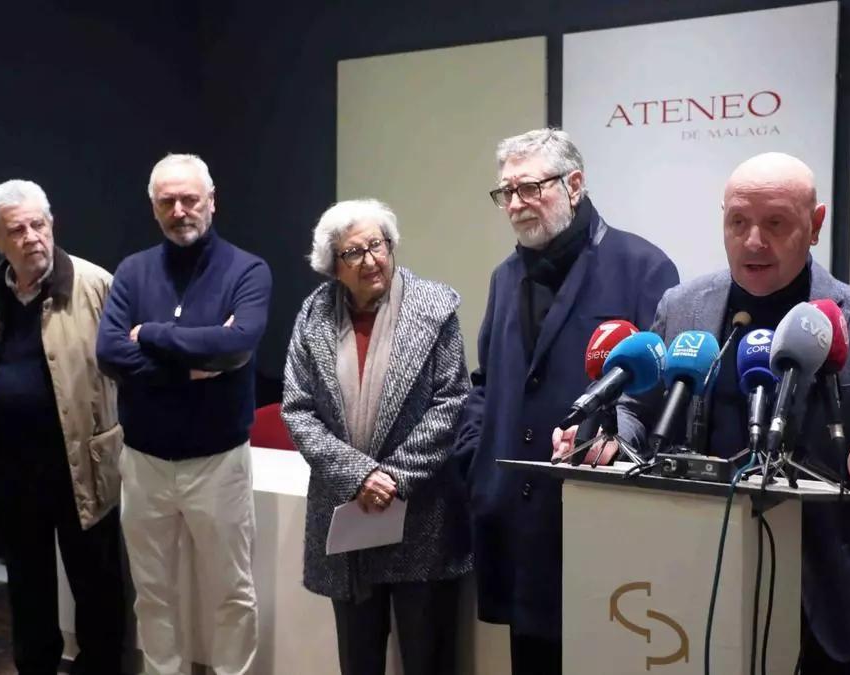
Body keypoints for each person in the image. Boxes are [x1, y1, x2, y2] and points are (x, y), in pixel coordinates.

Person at [606, 152, 850, 672]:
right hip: (692, 579)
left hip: (821, 599)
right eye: (738, 222)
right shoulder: (682, 309)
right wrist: (612, 435)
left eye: (775, 224)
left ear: (814, 227)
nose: (753, 241)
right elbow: (639, 408)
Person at [453, 128, 679, 674]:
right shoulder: (505, 278)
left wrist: (618, 440)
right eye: (505, 192)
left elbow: (663, 392)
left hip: (598, 520)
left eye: (529, 188)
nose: (514, 204)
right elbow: (489, 381)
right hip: (515, 520)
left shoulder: (642, 267)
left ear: (574, 184)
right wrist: (473, 454)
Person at [96, 153, 271, 675]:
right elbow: (108, 352)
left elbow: (235, 345)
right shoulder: (132, 271)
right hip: (144, 462)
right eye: (167, 201)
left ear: (211, 202)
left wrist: (150, 335)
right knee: (153, 593)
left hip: (219, 463)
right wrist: (185, 365)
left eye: (190, 198)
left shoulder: (247, 269)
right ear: (154, 209)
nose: (180, 210)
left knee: (231, 593)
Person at [281, 199, 472, 675]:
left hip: (421, 513)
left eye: (378, 245)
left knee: (428, 655)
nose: (371, 260)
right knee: (358, 657)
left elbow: (453, 402)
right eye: (354, 253)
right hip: (350, 515)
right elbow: (298, 409)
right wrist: (359, 475)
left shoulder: (435, 306)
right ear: (333, 265)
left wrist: (393, 477)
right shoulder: (312, 316)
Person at [0, 179, 126, 674]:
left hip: (83, 461)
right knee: (27, 582)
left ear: (52, 223)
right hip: (13, 464)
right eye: (17, 229)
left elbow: (127, 369)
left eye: (39, 224)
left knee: (95, 581)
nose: (32, 237)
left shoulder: (96, 284)